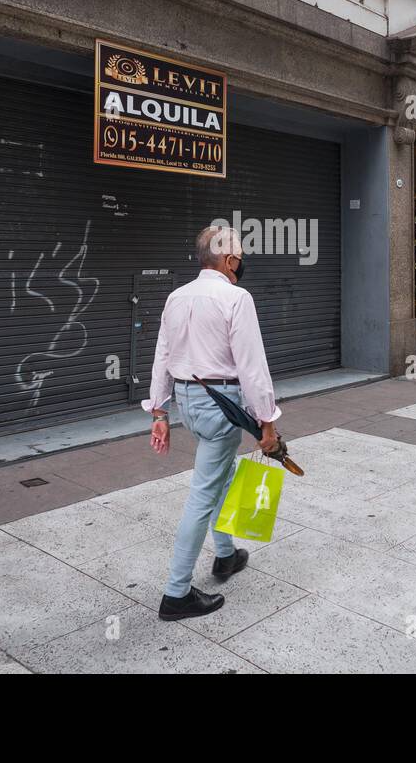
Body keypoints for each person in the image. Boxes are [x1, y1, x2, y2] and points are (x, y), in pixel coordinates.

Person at [144, 225, 282, 621]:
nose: (241, 262)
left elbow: (162, 356)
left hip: (190, 403)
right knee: (203, 494)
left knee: (220, 475)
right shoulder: (236, 297)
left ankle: (225, 555)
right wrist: (267, 423)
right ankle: (176, 594)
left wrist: (160, 412)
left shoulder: (176, 296)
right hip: (222, 403)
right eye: (238, 255)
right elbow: (253, 367)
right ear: (226, 259)